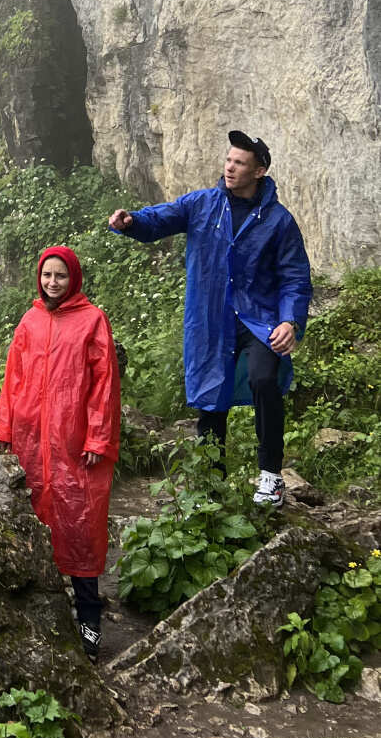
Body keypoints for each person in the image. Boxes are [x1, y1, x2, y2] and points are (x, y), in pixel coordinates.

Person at [108, 129, 312, 507]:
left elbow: (295, 276)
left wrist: (290, 321)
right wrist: (132, 222)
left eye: (240, 163)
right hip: (211, 318)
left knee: (264, 378)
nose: (230, 168)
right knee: (211, 400)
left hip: (259, 319)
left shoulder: (279, 221)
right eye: (229, 160)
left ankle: (270, 475)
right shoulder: (203, 205)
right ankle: (211, 485)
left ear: (259, 171)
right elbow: (162, 217)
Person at [0, 246, 120, 660]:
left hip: (75, 445)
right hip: (30, 441)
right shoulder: (29, 321)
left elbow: (104, 385)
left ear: (74, 279)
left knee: (81, 531)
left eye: (60, 276)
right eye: (47, 275)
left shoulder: (92, 321)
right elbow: (14, 377)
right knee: (36, 526)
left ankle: (90, 620)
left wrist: (98, 439)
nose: (52, 282)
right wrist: (5, 430)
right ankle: (44, 615)